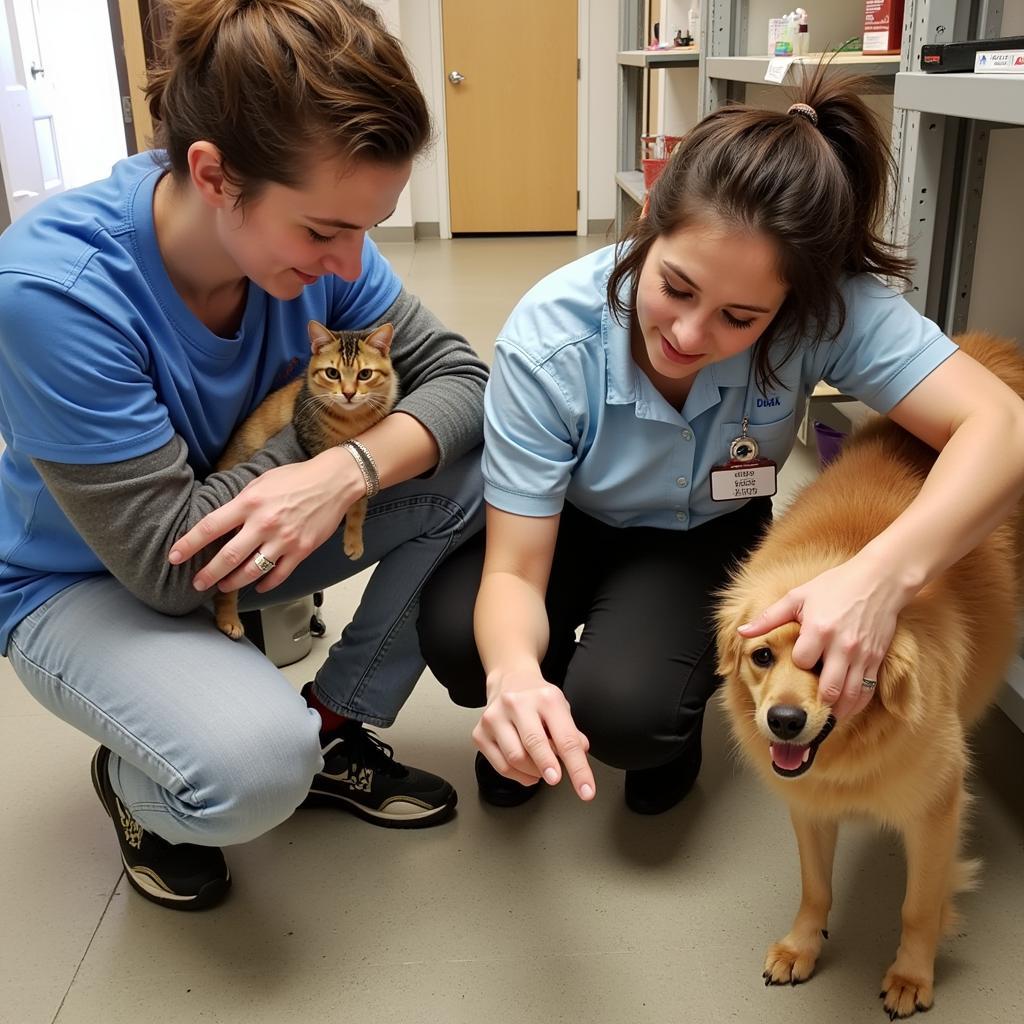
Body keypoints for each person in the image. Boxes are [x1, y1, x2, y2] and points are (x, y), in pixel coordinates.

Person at [418, 70, 1024, 815]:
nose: (689, 335)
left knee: (631, 716)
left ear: (798, 302)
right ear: (647, 223)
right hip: (564, 521)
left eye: (741, 318)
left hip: (701, 532)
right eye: (675, 287)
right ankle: (550, 703)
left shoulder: (827, 310)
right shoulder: (550, 338)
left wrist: (881, 578)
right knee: (458, 635)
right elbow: (513, 569)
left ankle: (650, 725)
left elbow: (1004, 427)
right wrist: (516, 676)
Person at [0, 0, 488, 911]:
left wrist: (349, 468)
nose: (351, 268)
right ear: (215, 175)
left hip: (230, 530)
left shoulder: (317, 245)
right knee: (253, 772)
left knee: (483, 472)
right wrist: (321, 445)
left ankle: (334, 719)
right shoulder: (52, 294)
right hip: (86, 578)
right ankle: (141, 788)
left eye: (367, 228)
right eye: (321, 232)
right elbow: (167, 566)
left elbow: (462, 378)